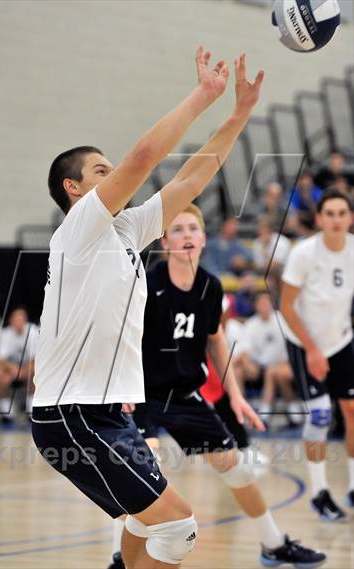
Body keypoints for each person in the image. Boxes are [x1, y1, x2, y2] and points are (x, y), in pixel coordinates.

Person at [31, 48, 276, 569]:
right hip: (70, 416)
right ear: (74, 188)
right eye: (101, 169)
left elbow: (190, 180)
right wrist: (202, 95)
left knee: (145, 522)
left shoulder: (125, 231)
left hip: (106, 413)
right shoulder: (77, 229)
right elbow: (144, 157)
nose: (114, 171)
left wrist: (236, 114)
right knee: (179, 526)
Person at [108, 206, 323, 569]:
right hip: (142, 395)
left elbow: (217, 338)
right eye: (178, 229)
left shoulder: (210, 285)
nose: (187, 235)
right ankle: (120, 557)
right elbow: (120, 337)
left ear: (204, 238)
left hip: (187, 395)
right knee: (145, 473)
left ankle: (273, 544)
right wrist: (120, 390)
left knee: (238, 469)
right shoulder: (145, 283)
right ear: (164, 241)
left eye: (194, 228)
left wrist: (235, 395)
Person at [281, 188, 354, 521]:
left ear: (350, 218)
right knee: (322, 414)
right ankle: (319, 492)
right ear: (320, 219)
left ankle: (352, 487)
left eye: (342, 213)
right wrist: (311, 350)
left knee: (352, 410)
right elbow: (286, 306)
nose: (336, 219)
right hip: (302, 340)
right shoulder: (304, 253)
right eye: (330, 213)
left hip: (340, 340)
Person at [233, 291, 301, 429]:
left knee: (274, 373)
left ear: (272, 304)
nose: (264, 305)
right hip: (259, 366)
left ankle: (265, 416)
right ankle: (239, 413)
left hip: (283, 364)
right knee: (237, 371)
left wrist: (287, 363)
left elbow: (294, 345)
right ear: (256, 305)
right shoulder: (251, 324)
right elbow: (244, 348)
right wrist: (248, 365)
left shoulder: (282, 320)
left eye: (267, 302)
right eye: (261, 303)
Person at [0, 307, 38, 426]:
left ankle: (31, 413)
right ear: (11, 321)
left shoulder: (33, 332)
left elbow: (36, 358)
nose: (18, 323)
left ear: (25, 321)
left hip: (28, 368)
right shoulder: (5, 334)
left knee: (35, 372)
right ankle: (7, 414)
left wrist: (22, 371)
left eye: (21, 320)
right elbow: (1, 359)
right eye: (16, 320)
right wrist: (13, 369)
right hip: (11, 368)